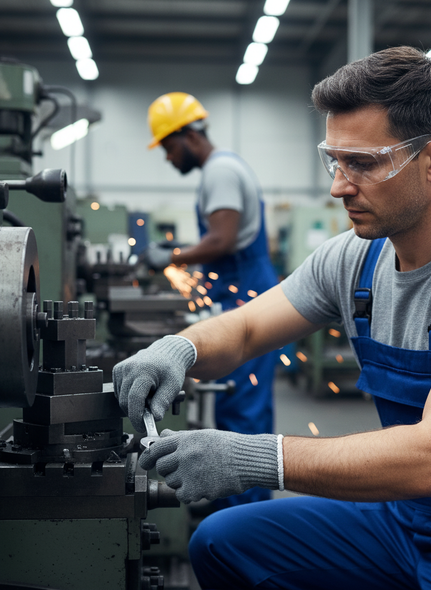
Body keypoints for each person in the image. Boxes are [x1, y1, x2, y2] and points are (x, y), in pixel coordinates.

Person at [114, 48, 431, 589]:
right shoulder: (355, 258)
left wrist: (257, 458)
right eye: (335, 161)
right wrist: (180, 348)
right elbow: (246, 328)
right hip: (406, 518)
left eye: (362, 163)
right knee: (224, 543)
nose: (339, 186)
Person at [116, 92, 279, 509]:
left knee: (242, 415)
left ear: (189, 135)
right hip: (238, 292)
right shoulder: (222, 168)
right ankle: (238, 508)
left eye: (170, 147)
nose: (169, 158)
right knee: (238, 407)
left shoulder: (219, 171)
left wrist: (169, 255)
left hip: (246, 296)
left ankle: (248, 518)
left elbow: (222, 240)